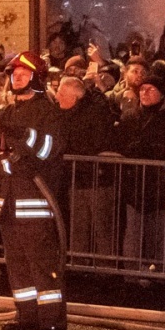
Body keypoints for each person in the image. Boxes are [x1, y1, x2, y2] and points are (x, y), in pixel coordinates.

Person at [0, 52, 70, 330]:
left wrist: (23, 138)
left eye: (23, 73)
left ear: (37, 77)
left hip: (34, 201)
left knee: (42, 265)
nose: (17, 77)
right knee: (17, 263)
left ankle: (53, 324)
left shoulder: (47, 111)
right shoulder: (6, 112)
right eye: (14, 73)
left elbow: (48, 149)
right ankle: (27, 316)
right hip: (7, 202)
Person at [115, 70, 165, 271]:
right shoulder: (130, 117)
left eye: (151, 89)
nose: (145, 93)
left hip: (161, 186)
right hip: (135, 186)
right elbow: (120, 144)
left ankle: (161, 273)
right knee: (134, 234)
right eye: (142, 89)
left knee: (161, 234)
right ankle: (133, 275)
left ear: (162, 94)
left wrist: (152, 149)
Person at [55, 75, 118, 261]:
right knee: (78, 227)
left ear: (73, 98)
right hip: (76, 179)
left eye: (60, 93)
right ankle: (78, 266)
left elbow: (95, 144)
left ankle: (106, 271)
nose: (56, 97)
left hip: (97, 180)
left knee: (103, 229)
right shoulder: (62, 115)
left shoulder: (94, 114)